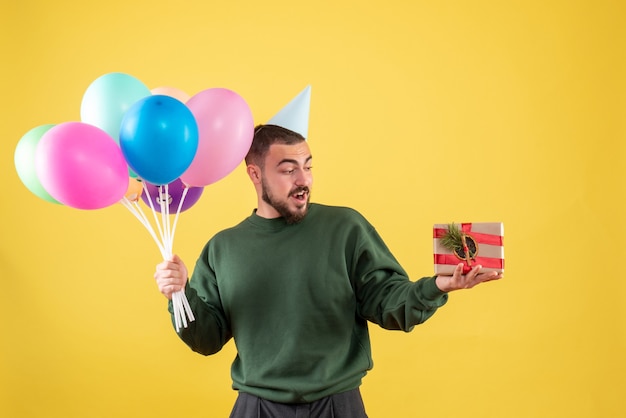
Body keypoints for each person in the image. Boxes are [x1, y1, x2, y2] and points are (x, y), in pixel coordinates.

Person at [154, 124, 502, 418]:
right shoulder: (223, 248)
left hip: (338, 404)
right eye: (288, 170)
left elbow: (388, 304)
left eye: (308, 166)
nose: (303, 179)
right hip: (256, 406)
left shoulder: (346, 228)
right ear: (255, 174)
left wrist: (436, 287)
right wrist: (180, 294)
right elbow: (207, 340)